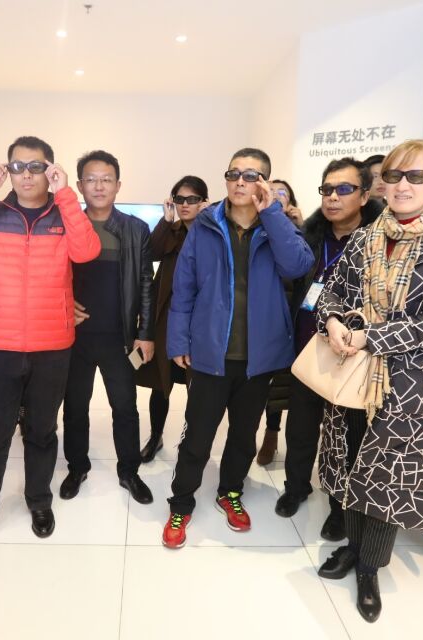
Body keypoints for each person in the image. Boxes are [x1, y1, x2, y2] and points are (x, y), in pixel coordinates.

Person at [314, 139, 423, 623]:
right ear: (382, 183)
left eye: (417, 176)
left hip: (410, 384)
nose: (404, 185)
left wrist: (370, 337)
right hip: (352, 373)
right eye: (394, 176)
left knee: (389, 478)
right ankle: (352, 546)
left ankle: (370, 567)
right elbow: (331, 293)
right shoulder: (365, 238)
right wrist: (334, 322)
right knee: (353, 463)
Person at [0, 135, 100, 564]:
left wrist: (66, 194)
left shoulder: (64, 214)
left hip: (53, 346)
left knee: (42, 432)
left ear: (50, 170)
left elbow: (87, 251)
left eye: (36, 167)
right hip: (1, 346)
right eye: (17, 167)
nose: (26, 175)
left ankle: (38, 500)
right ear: (7, 170)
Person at [162, 148, 313, 548]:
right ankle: (181, 502)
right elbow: (184, 288)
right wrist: (178, 340)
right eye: (234, 174)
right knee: (197, 437)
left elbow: (297, 266)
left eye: (251, 175)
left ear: (266, 182)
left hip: (259, 358)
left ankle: (230, 491)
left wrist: (272, 214)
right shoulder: (205, 225)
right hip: (210, 353)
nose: (240, 182)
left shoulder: (278, 225)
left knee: (244, 436)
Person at [273, 158, 380, 543]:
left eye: (344, 189)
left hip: (351, 354)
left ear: (364, 196)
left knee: (344, 437)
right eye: (327, 189)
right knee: (300, 426)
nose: (333, 197)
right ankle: (296, 486)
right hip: (307, 348)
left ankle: (339, 505)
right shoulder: (309, 236)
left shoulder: (377, 242)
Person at [59, 150, 155, 504]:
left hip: (119, 337)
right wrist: (63, 304)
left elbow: (146, 284)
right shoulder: (65, 225)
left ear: (118, 185)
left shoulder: (136, 229)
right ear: (79, 185)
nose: (99, 186)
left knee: (125, 408)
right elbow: (50, 276)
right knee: (75, 408)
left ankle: (129, 471)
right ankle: (77, 467)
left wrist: (145, 334)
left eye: (106, 180)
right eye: (91, 179)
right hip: (74, 338)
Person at [137, 176, 208, 462]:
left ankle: (192, 444)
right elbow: (151, 252)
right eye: (179, 199)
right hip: (166, 320)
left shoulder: (212, 232)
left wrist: (208, 221)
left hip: (200, 323)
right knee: (160, 384)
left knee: (197, 389)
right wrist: (166, 220)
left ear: (204, 202)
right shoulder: (172, 230)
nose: (185, 205)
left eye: (192, 199)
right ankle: (155, 436)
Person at [256, 179, 303, 466]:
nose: (275, 195)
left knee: (287, 384)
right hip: (264, 319)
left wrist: (300, 227)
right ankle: (268, 433)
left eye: (281, 192)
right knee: (266, 384)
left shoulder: (301, 231)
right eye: (270, 191)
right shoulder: (258, 228)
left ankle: (273, 434)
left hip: (294, 318)